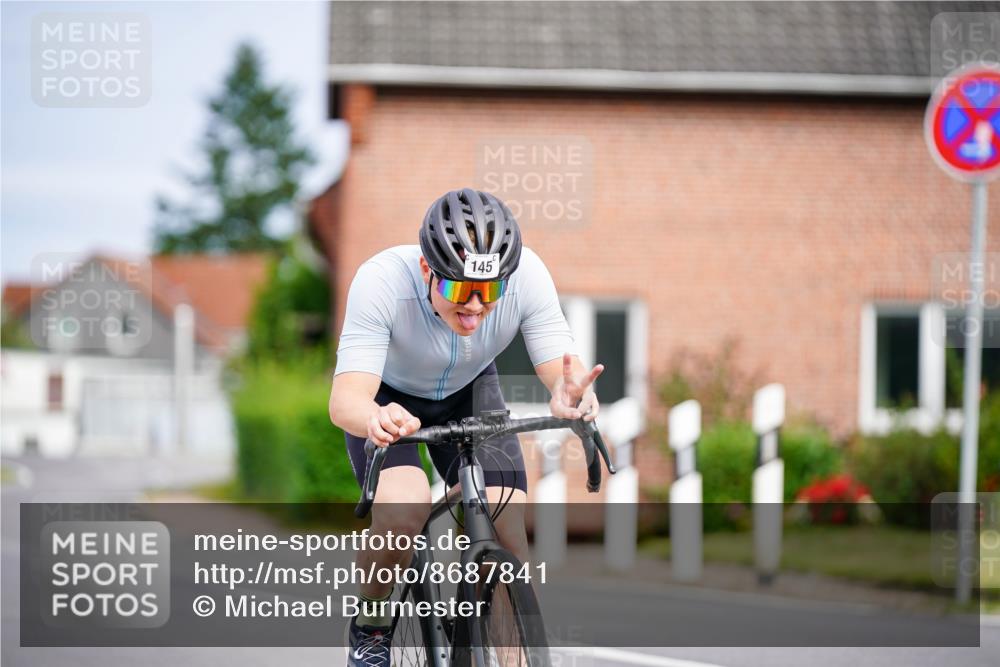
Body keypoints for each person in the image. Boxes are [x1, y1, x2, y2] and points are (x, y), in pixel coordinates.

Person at [329, 188, 603, 666]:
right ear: (425, 270)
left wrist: (571, 393)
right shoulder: (379, 281)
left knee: (508, 532)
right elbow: (346, 399)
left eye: (490, 290)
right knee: (402, 515)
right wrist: (376, 417)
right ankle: (371, 628)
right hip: (389, 400)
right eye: (459, 290)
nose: (476, 307)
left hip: (470, 389)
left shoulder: (529, 276)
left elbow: (565, 370)